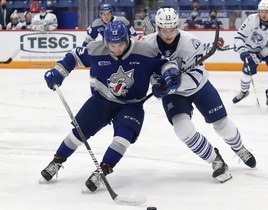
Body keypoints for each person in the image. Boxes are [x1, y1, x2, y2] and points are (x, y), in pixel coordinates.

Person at [40, 20, 181, 192]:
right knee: (78, 133)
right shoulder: (96, 49)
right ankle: (57, 161)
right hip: (102, 101)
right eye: (112, 45)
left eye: (121, 44)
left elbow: (165, 63)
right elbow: (74, 56)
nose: (117, 49)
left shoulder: (144, 51)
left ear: (127, 39)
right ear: (106, 42)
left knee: (123, 138)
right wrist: (58, 72)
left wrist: (170, 75)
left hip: (132, 105)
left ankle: (102, 171)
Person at [141, 8, 256, 183]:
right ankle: (215, 160)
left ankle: (239, 148)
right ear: (157, 28)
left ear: (177, 26)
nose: (168, 34)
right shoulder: (147, 45)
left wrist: (172, 86)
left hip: (199, 87)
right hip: (173, 95)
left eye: (171, 29)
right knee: (182, 129)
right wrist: (156, 85)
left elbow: (197, 75)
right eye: (164, 30)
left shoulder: (191, 43)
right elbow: (144, 70)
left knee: (222, 125)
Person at [232, 0, 268, 110]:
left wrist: (260, 56)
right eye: (262, 11)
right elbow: (239, 37)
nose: (264, 14)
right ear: (258, 11)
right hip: (251, 50)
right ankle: (244, 91)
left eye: (266, 11)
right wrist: (243, 51)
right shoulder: (251, 19)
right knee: (246, 74)